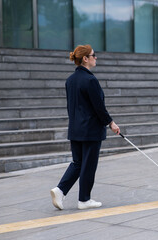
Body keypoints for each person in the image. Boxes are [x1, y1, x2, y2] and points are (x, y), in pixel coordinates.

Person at [50, 44, 120, 210]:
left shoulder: (70, 80)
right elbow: (98, 107)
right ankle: (84, 199)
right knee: (88, 164)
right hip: (90, 130)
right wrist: (111, 123)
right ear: (85, 59)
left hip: (75, 129)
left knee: (78, 162)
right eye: (93, 55)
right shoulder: (90, 80)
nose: (96, 58)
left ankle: (60, 190)